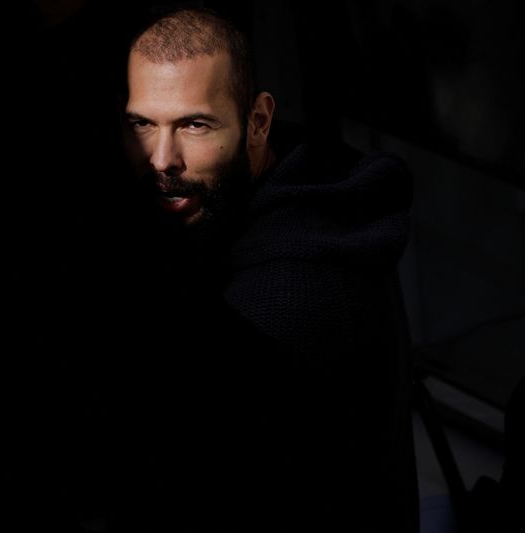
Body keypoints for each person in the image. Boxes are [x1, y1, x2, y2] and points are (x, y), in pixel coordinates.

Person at [91, 7, 419, 533]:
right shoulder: (292, 174)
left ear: (258, 122)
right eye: (142, 124)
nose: (161, 159)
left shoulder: (281, 303)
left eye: (195, 125)